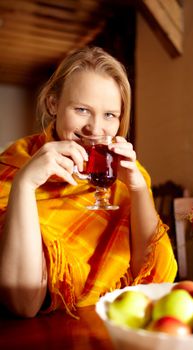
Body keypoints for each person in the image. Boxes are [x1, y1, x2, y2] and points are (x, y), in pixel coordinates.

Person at [0, 46, 177, 318]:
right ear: (53, 104)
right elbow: (24, 303)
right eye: (82, 109)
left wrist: (138, 189)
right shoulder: (12, 167)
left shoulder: (127, 174)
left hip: (111, 327)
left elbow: (157, 280)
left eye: (109, 115)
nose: (95, 129)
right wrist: (24, 185)